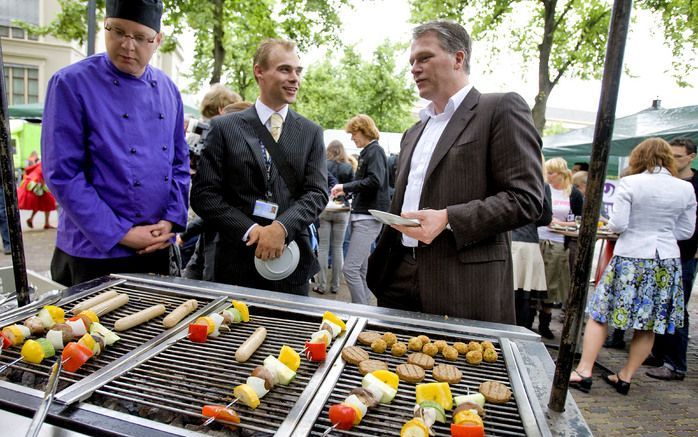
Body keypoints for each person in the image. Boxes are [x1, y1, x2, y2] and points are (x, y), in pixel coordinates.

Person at [366, 21, 544, 324]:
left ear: (458, 59)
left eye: (424, 58)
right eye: (412, 61)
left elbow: (526, 199)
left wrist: (448, 218)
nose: (414, 68)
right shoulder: (414, 130)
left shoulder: (500, 108)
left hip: (462, 286)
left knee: (450, 372)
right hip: (397, 275)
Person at [42, 0, 190, 287]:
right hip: (93, 252)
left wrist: (170, 222)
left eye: (140, 37)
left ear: (157, 40)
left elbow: (179, 163)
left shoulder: (169, 90)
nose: (127, 45)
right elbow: (63, 174)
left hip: (155, 247)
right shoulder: (70, 83)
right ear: (105, 26)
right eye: (118, 31)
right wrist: (121, 233)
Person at [191, 38, 328, 296]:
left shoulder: (310, 133)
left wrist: (281, 228)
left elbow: (317, 193)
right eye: (285, 69)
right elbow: (204, 196)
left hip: (290, 263)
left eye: (298, 71)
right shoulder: (225, 128)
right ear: (259, 71)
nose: (295, 78)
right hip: (234, 265)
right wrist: (251, 230)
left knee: (288, 334)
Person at [569, 138, 696, 395]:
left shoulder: (630, 183)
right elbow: (685, 231)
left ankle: (584, 371)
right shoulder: (685, 188)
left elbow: (618, 224)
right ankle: (625, 376)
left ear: (639, 157)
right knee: (648, 324)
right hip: (665, 260)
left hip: (631, 256)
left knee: (600, 314)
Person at [645, 137, 698, 381]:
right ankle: (656, 352)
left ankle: (676, 364)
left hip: (686, 255)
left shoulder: (693, 185)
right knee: (657, 305)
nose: (672, 161)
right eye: (670, 156)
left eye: (678, 157)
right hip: (657, 253)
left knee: (677, 310)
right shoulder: (665, 182)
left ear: (691, 157)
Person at [331, 115, 390, 304]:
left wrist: (345, 187)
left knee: (350, 269)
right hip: (363, 216)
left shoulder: (375, 151)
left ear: (364, 131)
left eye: (354, 133)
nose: (352, 138)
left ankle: (360, 311)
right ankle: (365, 310)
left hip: (368, 217)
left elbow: (375, 181)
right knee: (361, 270)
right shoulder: (370, 151)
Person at [537, 157, 583, 338]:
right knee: (535, 282)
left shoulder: (573, 194)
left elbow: (579, 220)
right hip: (539, 238)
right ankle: (529, 319)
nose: (547, 176)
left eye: (551, 172)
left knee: (551, 284)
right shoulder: (544, 189)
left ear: (561, 174)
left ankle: (545, 323)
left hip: (558, 241)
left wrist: (562, 225)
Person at [315, 140, 354, 294]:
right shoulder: (348, 167)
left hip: (325, 208)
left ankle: (322, 285)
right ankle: (336, 285)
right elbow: (351, 190)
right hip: (342, 210)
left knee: (323, 248)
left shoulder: (323, 165)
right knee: (338, 248)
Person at [17, 161, 57, 230]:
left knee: (39, 202)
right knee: (48, 201)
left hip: (30, 181)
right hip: (37, 182)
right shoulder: (50, 164)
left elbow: (28, 169)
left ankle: (32, 219)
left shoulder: (42, 162)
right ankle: (46, 223)